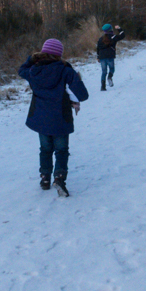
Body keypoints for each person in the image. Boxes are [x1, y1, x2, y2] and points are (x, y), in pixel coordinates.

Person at [18, 38, 89, 197]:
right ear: (59, 55)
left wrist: (31, 58)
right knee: (62, 150)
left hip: (41, 119)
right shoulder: (66, 71)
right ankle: (59, 178)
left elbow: (21, 70)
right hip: (60, 119)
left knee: (45, 149)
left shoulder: (33, 71)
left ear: (42, 53)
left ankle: (44, 178)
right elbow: (83, 95)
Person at [96, 23, 126, 91]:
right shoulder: (113, 37)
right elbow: (122, 35)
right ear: (110, 29)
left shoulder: (100, 39)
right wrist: (119, 28)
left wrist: (98, 56)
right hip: (110, 56)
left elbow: (98, 48)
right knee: (112, 69)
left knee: (104, 72)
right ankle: (109, 77)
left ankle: (103, 87)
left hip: (102, 57)